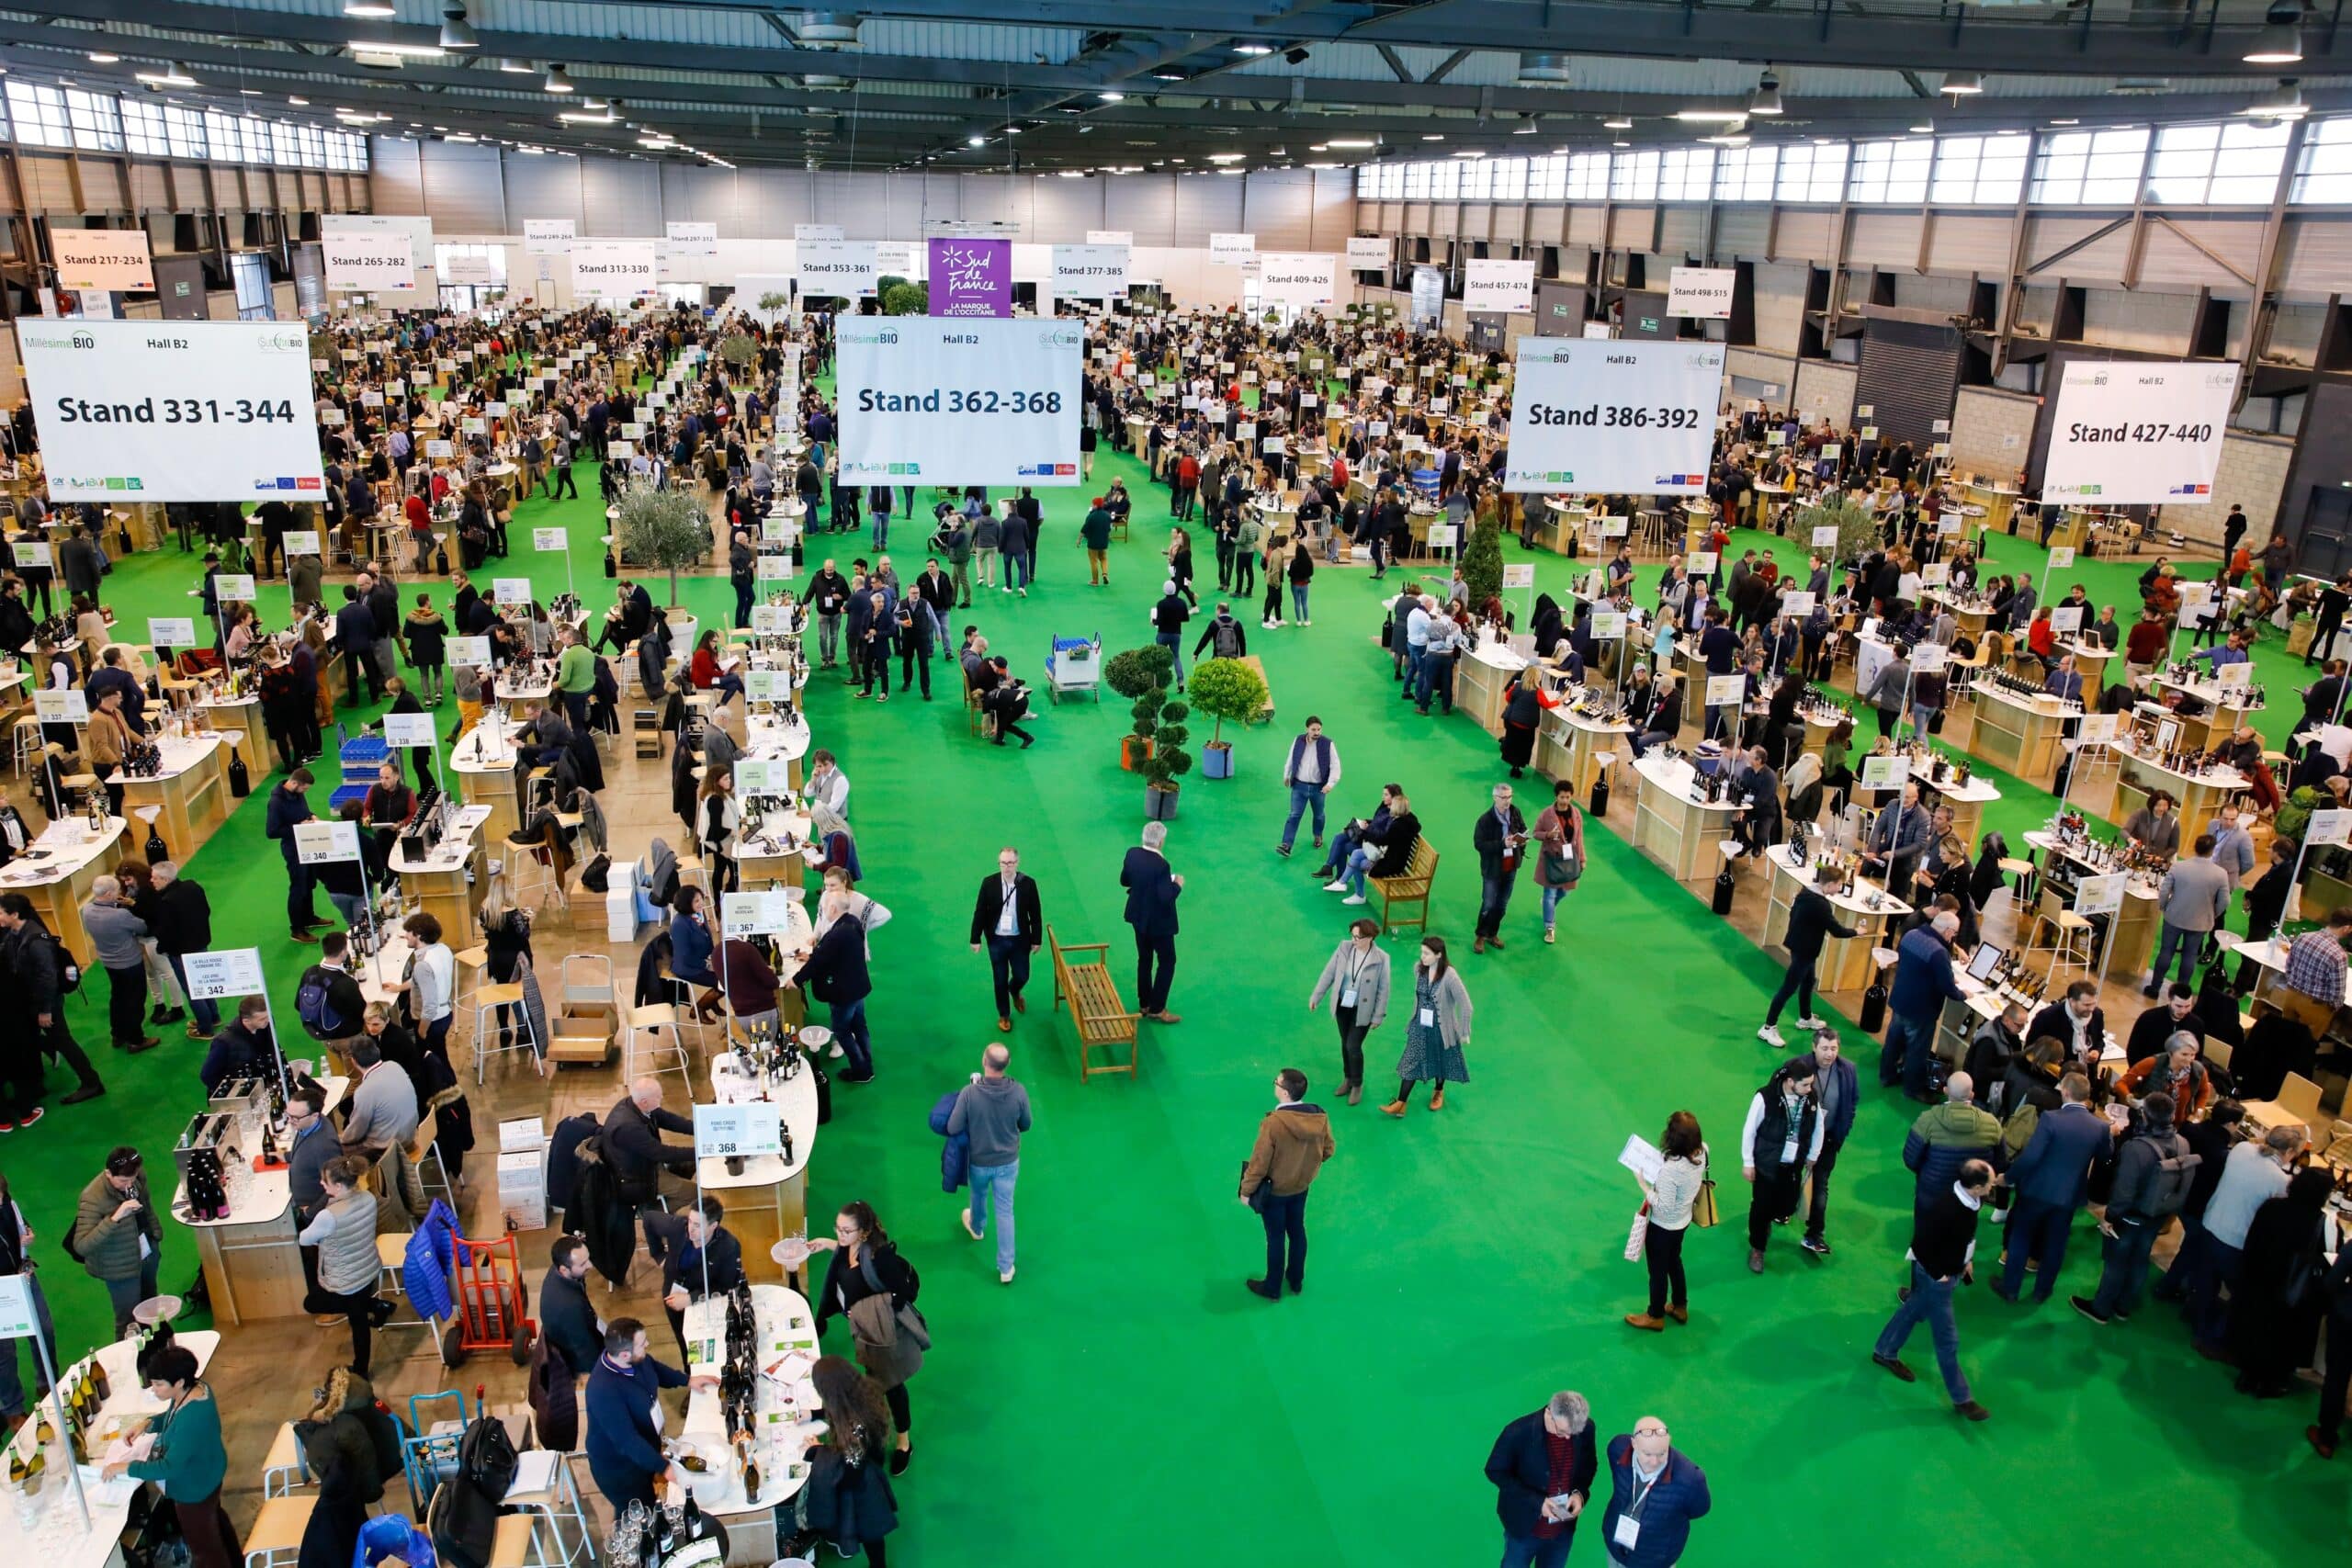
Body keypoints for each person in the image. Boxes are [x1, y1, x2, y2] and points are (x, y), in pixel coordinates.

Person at [1871, 1157, 1996, 1421]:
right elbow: (1922, 1242)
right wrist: (1940, 1275)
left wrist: (1966, 1260)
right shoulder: (1945, 1209)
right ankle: (1963, 1399)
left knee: (1912, 1310)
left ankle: (1884, 1351)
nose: (1992, 1186)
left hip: (1945, 1273)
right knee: (1947, 1341)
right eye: (1990, 1183)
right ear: (1976, 1187)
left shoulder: (1969, 1200)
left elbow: (1963, 1237)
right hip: (1936, 1279)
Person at [102, 1345, 240, 1568]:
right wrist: (147, 1423)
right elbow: (172, 1415)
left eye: (158, 1384)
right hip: (209, 1474)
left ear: (179, 1382)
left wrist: (126, 1467)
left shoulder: (191, 1419)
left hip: (194, 1489)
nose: (153, 1389)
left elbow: (169, 1467)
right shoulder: (197, 1389)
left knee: (205, 1549)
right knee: (215, 1523)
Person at [808, 1201, 920, 1475]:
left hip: (882, 1334)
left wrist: (867, 1312)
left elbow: (901, 1294)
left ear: (864, 1232)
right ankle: (873, 1420)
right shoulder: (846, 1247)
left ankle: (904, 1443)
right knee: (872, 1380)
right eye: (837, 1229)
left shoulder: (881, 1257)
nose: (840, 1235)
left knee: (892, 1385)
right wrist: (828, 1244)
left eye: (846, 1231)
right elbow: (845, 1259)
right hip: (863, 1332)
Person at [2071, 1091, 2196, 1325]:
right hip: (2158, 1215)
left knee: (2116, 1263)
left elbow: (2123, 1192)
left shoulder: (2136, 1148)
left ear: (2145, 1116)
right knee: (2140, 1259)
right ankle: (2123, 1306)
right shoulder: (2183, 1143)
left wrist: (2109, 1217)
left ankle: (2101, 1309)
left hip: (2130, 1216)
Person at [1993, 1072, 2113, 1304]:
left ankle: (2010, 1288)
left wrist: (2008, 1178)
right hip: (2069, 1196)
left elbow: (2030, 1157)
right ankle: (2042, 1291)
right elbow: (2105, 1156)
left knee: (2021, 1237)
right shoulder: (2100, 1127)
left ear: (2065, 1092)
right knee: (2056, 1244)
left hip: (2036, 1190)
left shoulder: (2051, 1119)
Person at [2231, 1167, 2335, 1398]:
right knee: (2282, 1337)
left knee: (2257, 1328)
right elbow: (2327, 1259)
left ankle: (2248, 1376)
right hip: (2291, 1291)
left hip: (2260, 1280)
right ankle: (2270, 1383)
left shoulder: (2272, 1207)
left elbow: (2253, 1240)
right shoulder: (2322, 1223)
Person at [789, 1357, 901, 1566]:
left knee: (868, 1529)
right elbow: (842, 1407)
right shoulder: (865, 1394)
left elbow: (849, 1471)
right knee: (873, 1532)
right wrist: (814, 1414)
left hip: (862, 1486)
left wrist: (817, 1450)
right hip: (871, 1467)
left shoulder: (854, 1428)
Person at [582, 1318, 703, 1513]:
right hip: (622, 1470)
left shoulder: (636, 1358)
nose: (647, 1344)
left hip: (645, 1451)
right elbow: (628, 1441)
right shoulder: (602, 1391)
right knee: (642, 1513)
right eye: (642, 1343)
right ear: (624, 1354)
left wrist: (688, 1380)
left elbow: (655, 1369)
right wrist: (664, 1468)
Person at [1237, 1066, 1334, 1302]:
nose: (1275, 1085)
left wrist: (1246, 1191)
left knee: (1276, 1238)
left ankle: (1272, 1287)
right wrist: (1305, 1167)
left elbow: (1259, 1163)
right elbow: (1328, 1149)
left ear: (1285, 1092)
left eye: (1277, 1082)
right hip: (1300, 1188)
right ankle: (1296, 1280)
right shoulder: (1319, 1117)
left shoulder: (1273, 1124)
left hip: (1275, 1192)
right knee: (1297, 1231)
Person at [0, 892, 103, 1114]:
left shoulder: (36, 941)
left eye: (1, 912)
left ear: (14, 914)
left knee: (63, 1041)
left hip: (46, 1004)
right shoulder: (14, 934)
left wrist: (45, 1010)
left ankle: (91, 1082)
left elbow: (48, 978)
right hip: (31, 1001)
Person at [300, 1154, 392, 1376]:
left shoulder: (328, 1216)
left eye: (325, 1181)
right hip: (367, 1266)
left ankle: (361, 1370)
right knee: (357, 1311)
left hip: (346, 1279)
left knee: (315, 1304)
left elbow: (304, 1238)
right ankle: (376, 1306)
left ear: (339, 1186)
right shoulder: (368, 1198)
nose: (321, 1183)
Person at [948, 1043, 1032, 1284]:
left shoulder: (969, 1093)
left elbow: (953, 1127)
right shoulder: (1019, 1092)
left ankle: (976, 1227)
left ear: (984, 1061)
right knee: (1005, 1210)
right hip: (1008, 1162)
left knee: (978, 1194)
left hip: (979, 1161)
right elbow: (1026, 1124)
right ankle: (1006, 1267)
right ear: (1007, 1065)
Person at [1484, 1392, 1598, 1568]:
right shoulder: (1517, 1432)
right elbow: (1495, 1470)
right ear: (1549, 1414)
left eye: (1573, 1432)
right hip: (1523, 1527)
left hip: (1562, 1529)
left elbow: (1588, 1465)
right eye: (1562, 1431)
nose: (1568, 1437)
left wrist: (1579, 1494)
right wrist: (1537, 1502)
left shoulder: (1585, 1428)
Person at [1626, 1111, 1708, 1331]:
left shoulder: (1671, 1170)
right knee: (1674, 1261)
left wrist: (1643, 1186)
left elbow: (1663, 1206)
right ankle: (1680, 1306)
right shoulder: (1704, 1151)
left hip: (1662, 1227)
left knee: (1658, 1272)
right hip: (1683, 1221)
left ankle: (1655, 1315)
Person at [604, 1077, 698, 1262]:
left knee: (691, 1163)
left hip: (644, 1164)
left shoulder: (637, 1106)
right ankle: (653, 1216)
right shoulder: (628, 1127)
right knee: (692, 1191)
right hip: (637, 1178)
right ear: (645, 1101)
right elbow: (662, 1153)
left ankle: (656, 1212)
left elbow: (669, 1120)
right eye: (658, 1097)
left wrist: (700, 1128)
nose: (661, 1099)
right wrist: (700, 1151)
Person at [1740, 1058, 1820, 1272]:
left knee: (1787, 1206)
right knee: (1761, 1208)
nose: (1810, 1089)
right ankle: (1757, 1248)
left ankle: (1769, 1218)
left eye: (1811, 1084)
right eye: (1805, 1085)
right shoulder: (1765, 1097)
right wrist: (1748, 1162)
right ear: (1790, 1082)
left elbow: (1818, 1125)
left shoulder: (1810, 1098)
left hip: (1794, 1165)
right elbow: (1749, 1130)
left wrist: (1813, 1154)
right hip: (1767, 1164)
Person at [1598, 1417, 1710, 1568]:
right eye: (1647, 1454)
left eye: (1661, 1454)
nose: (1654, 1462)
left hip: (1655, 1561)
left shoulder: (1691, 1479)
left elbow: (1700, 1509)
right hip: (1615, 1548)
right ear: (1634, 1444)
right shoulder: (1618, 1449)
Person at [74, 1146, 163, 1334]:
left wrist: (155, 1235)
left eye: (132, 1178)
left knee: (150, 1309)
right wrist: (115, 1218)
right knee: (128, 1322)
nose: (129, 1184)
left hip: (146, 1253)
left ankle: (155, 1349)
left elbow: (147, 1207)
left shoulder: (136, 1177)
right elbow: (82, 1245)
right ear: (108, 1173)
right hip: (119, 1268)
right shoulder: (92, 1197)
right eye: (123, 1181)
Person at [1382, 936, 1473, 1115]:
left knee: (1441, 1061)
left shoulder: (1450, 976)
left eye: (1426, 953)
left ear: (1439, 955)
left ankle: (1438, 1091)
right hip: (1419, 1026)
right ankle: (1401, 1103)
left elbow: (1466, 1005)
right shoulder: (1418, 969)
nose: (1422, 956)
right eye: (1422, 952)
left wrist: (1464, 1031)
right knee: (1410, 1060)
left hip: (1441, 1029)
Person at [1758, 882, 1855, 1048]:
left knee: (1809, 981)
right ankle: (1768, 1027)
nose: (1840, 889)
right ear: (1830, 884)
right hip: (1805, 951)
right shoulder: (1821, 905)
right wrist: (1856, 932)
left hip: (1799, 945)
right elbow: (1837, 931)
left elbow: (1793, 915)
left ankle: (1805, 1017)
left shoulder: (1803, 894)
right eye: (1838, 885)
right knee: (1787, 989)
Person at [1307, 918, 1390, 1107]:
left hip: (1363, 1010)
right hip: (1342, 1005)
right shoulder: (1344, 948)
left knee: (1353, 1045)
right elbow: (1329, 973)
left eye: (1358, 938)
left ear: (1370, 937)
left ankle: (1357, 1084)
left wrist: (1378, 1016)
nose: (1354, 940)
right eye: (1352, 936)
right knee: (1345, 1043)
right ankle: (1348, 1078)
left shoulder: (1382, 958)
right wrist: (1316, 996)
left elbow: (1383, 989)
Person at [653, 1194, 746, 1362]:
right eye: (690, 1221)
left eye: (697, 1225)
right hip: (673, 1296)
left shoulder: (729, 1247)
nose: (690, 1229)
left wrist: (692, 1298)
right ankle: (690, 1371)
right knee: (685, 1343)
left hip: (706, 1302)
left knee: (706, 1346)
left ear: (713, 1226)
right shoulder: (678, 1226)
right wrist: (659, 1256)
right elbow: (649, 1219)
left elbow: (726, 1286)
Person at [797, 889, 876, 1083]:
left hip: (844, 993)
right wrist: (814, 955)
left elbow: (819, 962)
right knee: (859, 1026)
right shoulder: (852, 923)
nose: (823, 908)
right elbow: (834, 954)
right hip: (858, 987)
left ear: (832, 908)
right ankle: (867, 1065)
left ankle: (860, 1070)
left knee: (841, 1030)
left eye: (825, 905)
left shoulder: (837, 933)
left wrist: (796, 980)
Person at [968, 846, 1043, 1033]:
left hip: (1020, 940)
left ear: (1017, 863)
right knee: (999, 979)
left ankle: (1014, 990)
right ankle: (1004, 1015)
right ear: (999, 863)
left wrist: (1037, 939)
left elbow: (1035, 914)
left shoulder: (1028, 884)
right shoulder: (989, 883)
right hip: (997, 940)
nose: (1007, 867)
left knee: (1022, 975)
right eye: (1003, 863)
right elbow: (980, 911)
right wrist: (975, 938)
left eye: (1010, 863)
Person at [2147, 833, 2230, 996]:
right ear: (2212, 850)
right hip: (2199, 922)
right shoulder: (2221, 874)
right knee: (2189, 956)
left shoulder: (2179, 867)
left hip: (2174, 916)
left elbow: (2164, 890)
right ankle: (2180, 993)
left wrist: (2164, 906)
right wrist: (2213, 914)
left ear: (2195, 847)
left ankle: (2155, 988)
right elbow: (2225, 901)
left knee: (2166, 952)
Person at [1120, 820, 1184, 1024]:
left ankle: (1145, 1003)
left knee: (1144, 959)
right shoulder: (1162, 866)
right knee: (1167, 961)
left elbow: (1125, 880)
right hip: (1159, 924)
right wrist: (1177, 885)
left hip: (1138, 917)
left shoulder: (1132, 854)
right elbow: (1166, 897)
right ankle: (1157, 1008)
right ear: (1161, 841)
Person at [83, 880, 156, 1054]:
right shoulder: (120, 915)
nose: (120, 893)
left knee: (118, 998)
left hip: (109, 962)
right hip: (129, 963)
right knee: (135, 1001)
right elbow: (142, 927)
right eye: (117, 890)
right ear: (109, 894)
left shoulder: (87, 910)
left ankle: (118, 1034)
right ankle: (136, 1040)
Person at [1473, 782, 1530, 955]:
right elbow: (1479, 844)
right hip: (1492, 869)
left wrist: (1522, 840)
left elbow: (1523, 828)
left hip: (1511, 866)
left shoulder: (1515, 812)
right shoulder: (1485, 820)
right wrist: (1502, 844)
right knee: (1489, 904)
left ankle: (1492, 933)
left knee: (1502, 905)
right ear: (1495, 798)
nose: (1507, 801)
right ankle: (1481, 935)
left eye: (1510, 796)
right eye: (1504, 797)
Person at [1277, 716, 1341, 859]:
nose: (1317, 732)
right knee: (1294, 815)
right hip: (1299, 786)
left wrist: (1330, 784)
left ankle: (1318, 835)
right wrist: (1286, 775)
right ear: (1307, 729)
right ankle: (1286, 845)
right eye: (1313, 729)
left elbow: (1336, 766)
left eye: (1319, 729)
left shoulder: (1328, 744)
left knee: (1319, 815)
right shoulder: (1298, 740)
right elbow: (1291, 758)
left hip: (1318, 788)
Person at [1531, 778, 1585, 946]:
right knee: (1550, 893)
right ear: (1556, 796)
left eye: (1568, 797)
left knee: (1564, 892)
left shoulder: (1576, 814)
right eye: (1562, 797)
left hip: (1569, 860)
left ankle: (1547, 905)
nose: (1565, 801)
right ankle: (1549, 927)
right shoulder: (1546, 814)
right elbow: (1535, 833)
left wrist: (1582, 858)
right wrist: (1547, 835)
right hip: (1552, 861)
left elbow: (1579, 838)